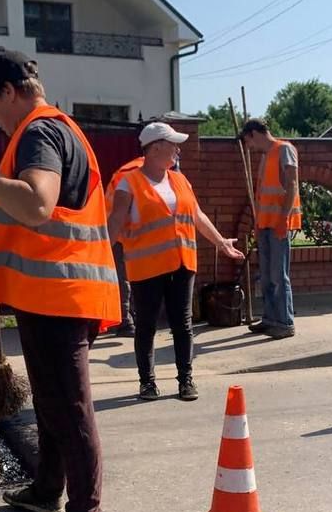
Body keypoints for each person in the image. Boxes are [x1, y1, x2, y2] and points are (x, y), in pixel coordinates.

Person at [0, 48, 120, 512]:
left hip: (59, 296)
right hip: (56, 290)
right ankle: (48, 490)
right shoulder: (57, 128)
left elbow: (37, 204)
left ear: (8, 90)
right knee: (51, 400)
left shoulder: (40, 133)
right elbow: (42, 221)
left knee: (68, 405)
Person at [107, 122, 244, 401]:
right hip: (146, 268)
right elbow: (115, 222)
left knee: (182, 323)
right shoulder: (128, 183)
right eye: (173, 145)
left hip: (182, 263)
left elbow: (197, 215)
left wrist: (220, 243)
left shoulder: (180, 180)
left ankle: (186, 380)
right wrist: (98, 256)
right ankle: (147, 383)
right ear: (155, 148)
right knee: (146, 325)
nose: (178, 150)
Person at [240, 118, 301, 339]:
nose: (250, 147)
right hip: (265, 222)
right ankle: (270, 319)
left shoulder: (284, 149)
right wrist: (257, 223)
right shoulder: (266, 157)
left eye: (248, 142)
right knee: (266, 276)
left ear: (254, 133)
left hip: (278, 223)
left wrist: (283, 220)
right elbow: (263, 193)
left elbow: (292, 184)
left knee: (278, 274)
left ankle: (285, 322)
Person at [106, 156, 143, 337]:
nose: (177, 152)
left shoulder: (146, 170)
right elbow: (122, 209)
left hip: (125, 231)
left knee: (129, 276)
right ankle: (124, 321)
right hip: (119, 233)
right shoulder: (132, 173)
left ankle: (128, 317)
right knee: (123, 278)